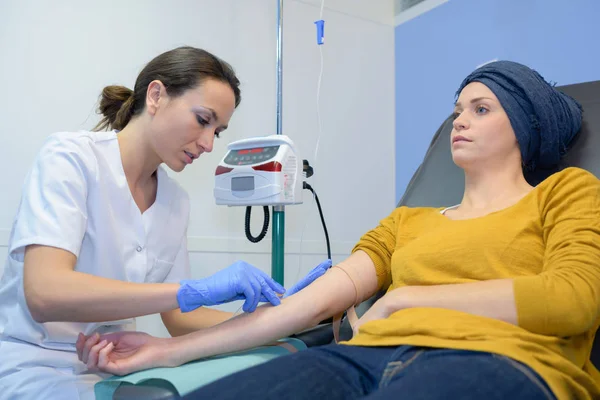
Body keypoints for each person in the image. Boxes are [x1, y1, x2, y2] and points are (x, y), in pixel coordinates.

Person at [78, 61, 600, 399]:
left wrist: (408, 300)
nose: (459, 120)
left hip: (501, 362)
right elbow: (299, 310)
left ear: (525, 128)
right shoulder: (407, 223)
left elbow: (573, 299)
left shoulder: (566, 192)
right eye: (457, 109)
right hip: (362, 358)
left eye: (481, 109)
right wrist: (161, 351)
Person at [0, 46, 330, 400]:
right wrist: (192, 290)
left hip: (116, 366)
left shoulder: (175, 201)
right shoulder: (70, 159)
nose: (207, 144)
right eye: (204, 120)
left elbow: (179, 319)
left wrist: (284, 318)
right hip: (36, 366)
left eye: (217, 131)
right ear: (156, 96)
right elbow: (44, 293)